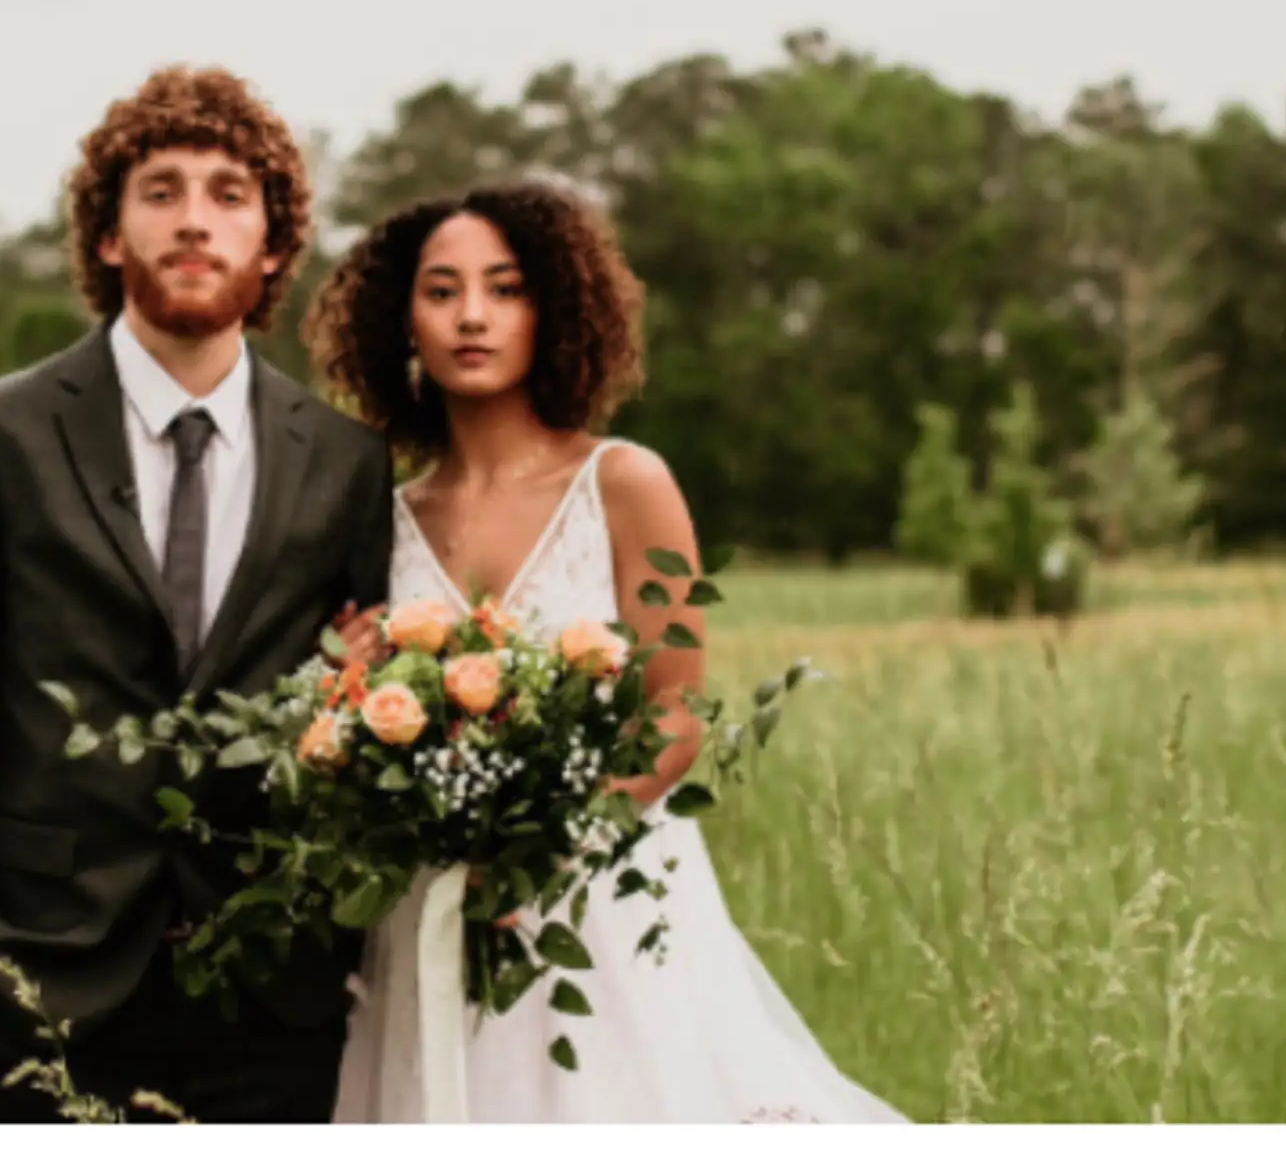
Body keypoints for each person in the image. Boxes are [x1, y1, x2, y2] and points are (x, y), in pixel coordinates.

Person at [302, 180, 911, 1123]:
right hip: (434, 918)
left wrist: (546, 853)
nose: (473, 316)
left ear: (555, 308)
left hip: (603, 908)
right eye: (441, 290)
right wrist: (350, 684)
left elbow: (674, 709)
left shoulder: (624, 482)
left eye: (506, 289)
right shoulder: (377, 520)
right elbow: (370, 731)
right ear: (402, 320)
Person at [0, 65, 396, 1123]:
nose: (193, 221)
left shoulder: (346, 462)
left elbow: (367, 717)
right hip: (43, 990)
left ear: (274, 244)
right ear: (108, 236)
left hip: (277, 1004)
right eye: (160, 192)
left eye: (227, 195)